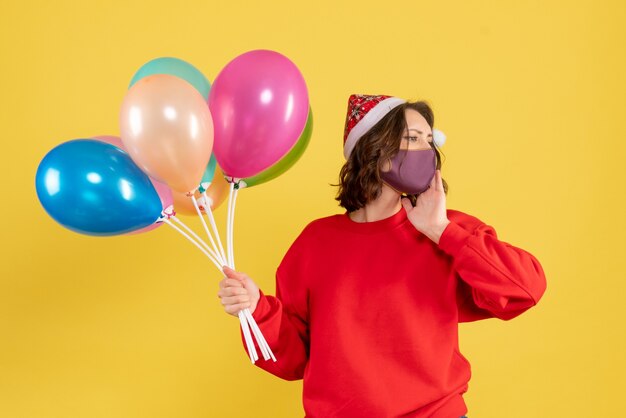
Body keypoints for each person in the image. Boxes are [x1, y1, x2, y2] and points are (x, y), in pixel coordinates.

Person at [217, 94, 547, 418]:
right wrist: (255, 308)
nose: (428, 150)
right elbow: (293, 358)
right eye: (413, 138)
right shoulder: (314, 243)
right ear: (376, 147)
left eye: (430, 141)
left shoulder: (447, 232)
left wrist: (441, 230)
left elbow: (525, 288)